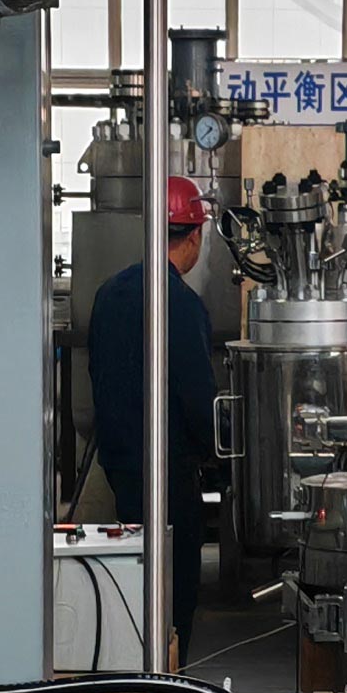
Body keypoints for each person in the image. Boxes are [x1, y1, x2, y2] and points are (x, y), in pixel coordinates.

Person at [90, 175, 222, 630]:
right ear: (195, 236)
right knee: (175, 590)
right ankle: (168, 666)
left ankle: (135, 657)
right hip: (169, 473)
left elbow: (96, 374)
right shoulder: (182, 304)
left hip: (120, 467)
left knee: (135, 577)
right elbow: (199, 399)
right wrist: (218, 457)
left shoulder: (108, 293)